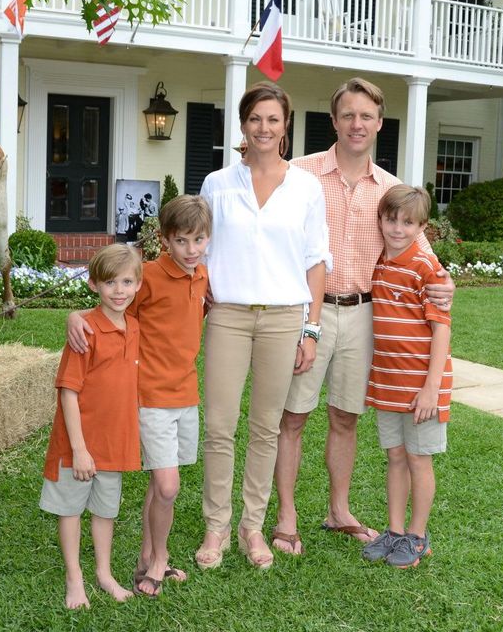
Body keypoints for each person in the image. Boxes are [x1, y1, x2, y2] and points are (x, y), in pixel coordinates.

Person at [273, 78, 455, 556]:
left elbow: (425, 257)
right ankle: (286, 517)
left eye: (367, 117)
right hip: (307, 312)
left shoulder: (392, 190)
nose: (357, 124)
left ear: (379, 124)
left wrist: (445, 282)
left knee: (345, 417)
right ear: (334, 121)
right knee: (292, 417)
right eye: (348, 115)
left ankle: (339, 511)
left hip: (364, 315)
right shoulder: (299, 174)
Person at [195, 81, 331, 571]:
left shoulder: (306, 188)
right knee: (219, 426)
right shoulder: (217, 184)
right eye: (256, 119)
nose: (264, 128)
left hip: (283, 319)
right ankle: (217, 526)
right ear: (243, 125)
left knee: (266, 428)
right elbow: (199, 254)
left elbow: (317, 263)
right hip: (228, 317)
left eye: (273, 119)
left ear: (285, 125)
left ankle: (252, 526)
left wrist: (311, 331)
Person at [66, 195, 212, 597]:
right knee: (168, 486)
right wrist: (75, 316)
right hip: (149, 396)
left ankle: (146, 559)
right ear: (165, 240)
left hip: (187, 394)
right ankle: (161, 560)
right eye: (182, 241)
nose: (192, 250)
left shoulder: (201, 276)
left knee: (157, 484)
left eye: (199, 240)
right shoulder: (146, 275)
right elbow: (114, 303)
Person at [39, 243, 144, 609]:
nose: (119, 290)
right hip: (77, 447)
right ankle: (74, 578)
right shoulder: (84, 331)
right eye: (110, 282)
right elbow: (68, 393)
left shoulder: (134, 328)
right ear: (93, 285)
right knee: (71, 511)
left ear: (137, 285)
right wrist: (80, 449)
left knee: (105, 512)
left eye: (127, 282)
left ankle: (104, 573)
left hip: (115, 444)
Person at [361, 185, 452, 568]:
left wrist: (431, 389)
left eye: (407, 222)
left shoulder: (426, 268)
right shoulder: (379, 260)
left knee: (418, 459)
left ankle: (417, 536)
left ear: (422, 226)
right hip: (387, 382)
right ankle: (395, 532)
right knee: (395, 456)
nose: (397, 229)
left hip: (422, 387)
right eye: (390, 219)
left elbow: (442, 329)